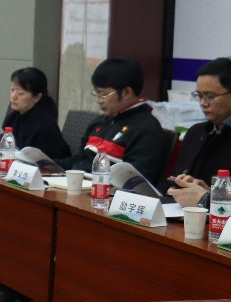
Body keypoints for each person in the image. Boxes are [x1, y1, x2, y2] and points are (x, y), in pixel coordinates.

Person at [57, 57, 169, 186]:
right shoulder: (99, 122)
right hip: (78, 186)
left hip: (103, 193)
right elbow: (80, 160)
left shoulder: (146, 129)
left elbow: (135, 183)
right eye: (97, 94)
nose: (98, 100)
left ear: (126, 93)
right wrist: (47, 165)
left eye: (103, 94)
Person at [168, 57, 231, 208]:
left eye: (210, 96)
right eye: (199, 95)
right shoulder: (196, 132)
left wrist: (206, 198)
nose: (203, 103)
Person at [2, 67, 70, 159]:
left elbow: (46, 161)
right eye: (12, 90)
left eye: (20, 93)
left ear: (37, 97)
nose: (13, 96)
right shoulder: (12, 118)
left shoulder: (45, 125)